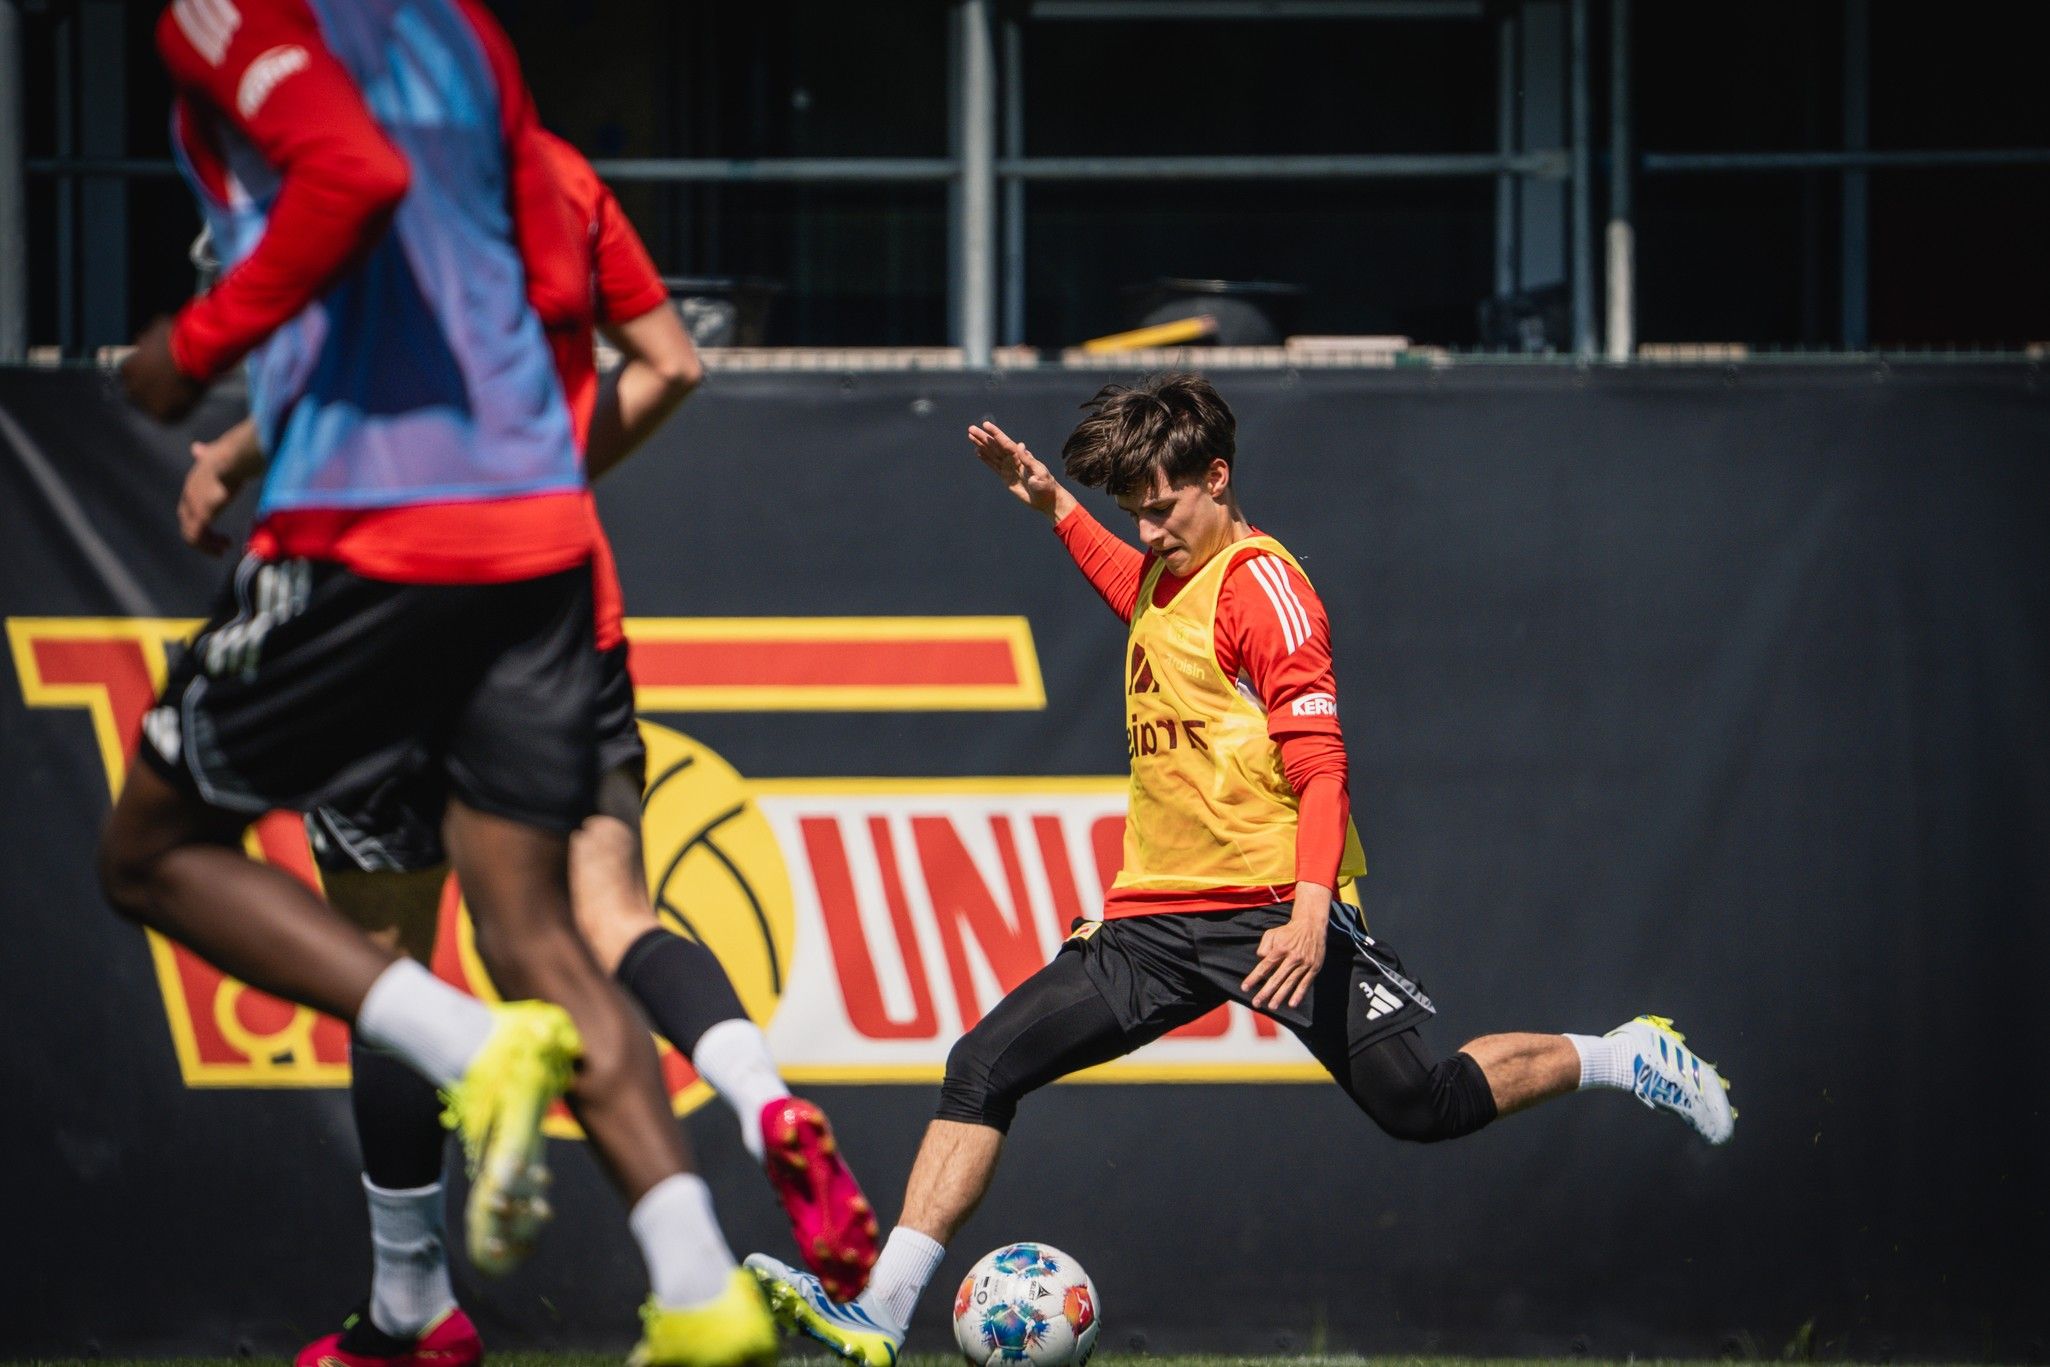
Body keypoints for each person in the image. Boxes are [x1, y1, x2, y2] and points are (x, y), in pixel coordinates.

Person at [742, 373, 1736, 1363]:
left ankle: (1620, 1052)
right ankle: (877, 1314)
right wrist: (1051, 501)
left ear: (1216, 477)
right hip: (1150, 928)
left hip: (1271, 910)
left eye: (1162, 508)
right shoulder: (1167, 572)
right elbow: (1138, 595)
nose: (1145, 531)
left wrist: (1309, 917)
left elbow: (1320, 767)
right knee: (982, 1063)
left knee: (1419, 1105)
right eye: (1133, 512)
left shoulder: (1265, 587)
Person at [107, 2, 775, 1361]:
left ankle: (469, 1055)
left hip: (375, 523)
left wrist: (191, 352)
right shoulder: (463, 28)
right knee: (541, 927)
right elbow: (518, 266)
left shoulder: (223, 11)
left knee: (152, 848)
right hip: (539, 534)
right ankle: (699, 1281)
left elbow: (350, 176)